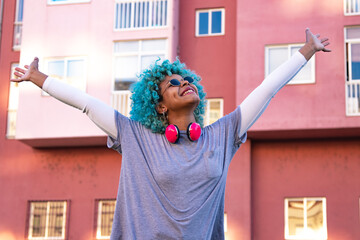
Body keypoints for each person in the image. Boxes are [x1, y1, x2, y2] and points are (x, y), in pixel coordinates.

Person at [12, 28, 330, 239]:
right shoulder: (135, 136)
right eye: (172, 84)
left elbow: (267, 89)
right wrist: (39, 78)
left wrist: (306, 50)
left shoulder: (223, 134)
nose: (183, 84)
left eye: (186, 80)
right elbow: (88, 105)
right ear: (159, 105)